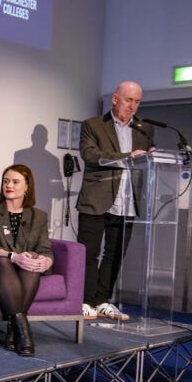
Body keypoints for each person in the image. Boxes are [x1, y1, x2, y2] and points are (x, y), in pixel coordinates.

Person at [77, 81, 155, 321]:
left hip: (128, 200)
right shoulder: (93, 125)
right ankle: (85, 300)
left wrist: (155, 157)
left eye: (137, 102)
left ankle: (102, 300)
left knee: (115, 254)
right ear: (115, 99)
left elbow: (147, 159)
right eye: (128, 100)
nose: (132, 106)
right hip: (97, 199)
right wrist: (126, 157)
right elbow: (90, 155)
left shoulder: (144, 129)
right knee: (89, 253)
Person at [0, 165, 54, 356]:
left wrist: (47, 261)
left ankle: (14, 331)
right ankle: (24, 333)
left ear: (27, 187)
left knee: (32, 264)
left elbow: (45, 249)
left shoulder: (39, 216)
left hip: (22, 267)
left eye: (15, 181)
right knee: (4, 262)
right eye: (5, 181)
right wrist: (14, 257)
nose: (8, 185)